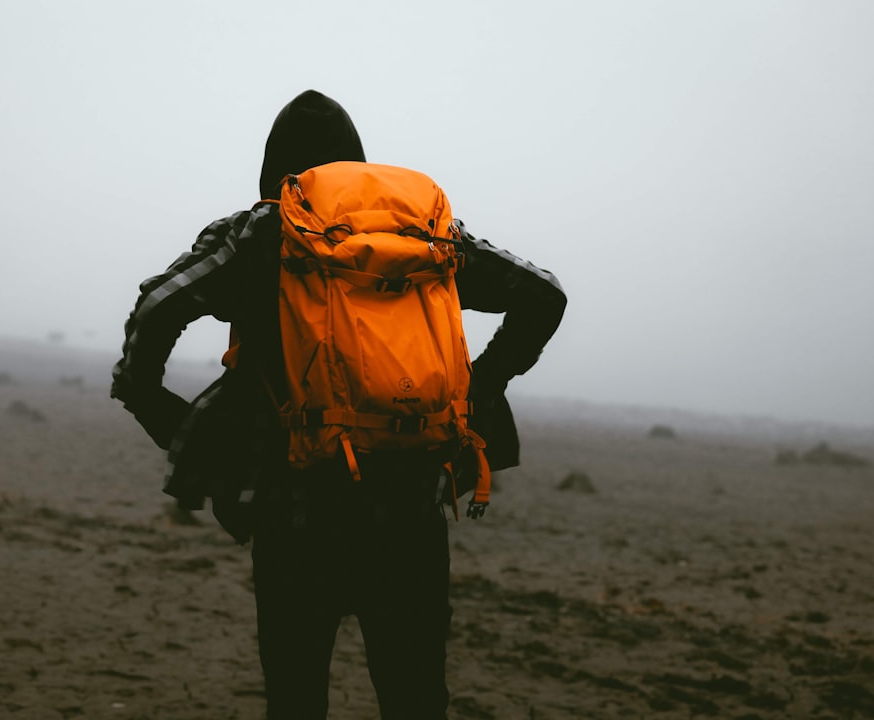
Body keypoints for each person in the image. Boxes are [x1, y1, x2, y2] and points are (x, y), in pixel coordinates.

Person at [111, 89, 567, 720]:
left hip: (294, 511)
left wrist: (145, 396)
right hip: (411, 511)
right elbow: (545, 295)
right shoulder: (429, 237)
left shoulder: (260, 233)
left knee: (296, 697)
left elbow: (159, 306)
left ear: (279, 173)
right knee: (414, 699)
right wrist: (482, 384)